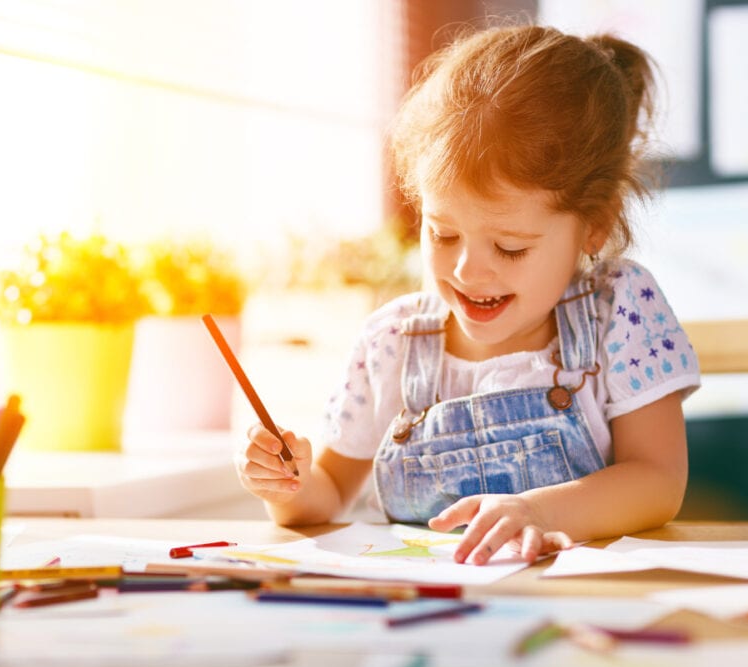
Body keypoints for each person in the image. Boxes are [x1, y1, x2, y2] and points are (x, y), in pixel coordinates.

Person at [237, 24, 701, 566]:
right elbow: (329, 495)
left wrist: (543, 512)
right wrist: (286, 485)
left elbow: (658, 481)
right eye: (443, 233)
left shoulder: (617, 310)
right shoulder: (394, 341)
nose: (466, 270)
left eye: (509, 247)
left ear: (592, 228)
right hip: (427, 614)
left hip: (577, 610)